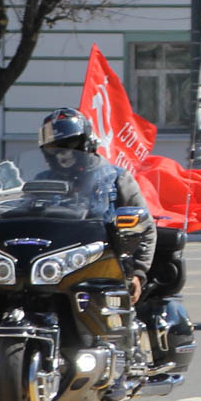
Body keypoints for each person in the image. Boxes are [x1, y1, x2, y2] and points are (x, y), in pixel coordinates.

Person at [36, 107, 155, 304]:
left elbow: (146, 226)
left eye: (70, 144)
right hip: (52, 270)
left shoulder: (117, 179)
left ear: (88, 143)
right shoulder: (41, 183)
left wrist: (138, 273)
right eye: (54, 148)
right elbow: (24, 218)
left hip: (104, 270)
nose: (62, 154)